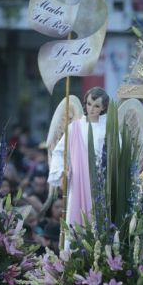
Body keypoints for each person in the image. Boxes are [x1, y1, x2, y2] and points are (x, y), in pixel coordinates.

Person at [48, 87, 109, 229]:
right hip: (78, 180)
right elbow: (59, 152)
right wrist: (61, 171)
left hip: (101, 182)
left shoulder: (109, 128)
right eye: (89, 104)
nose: (91, 109)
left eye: (96, 106)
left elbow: (115, 155)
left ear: (103, 107)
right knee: (76, 224)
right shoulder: (74, 127)